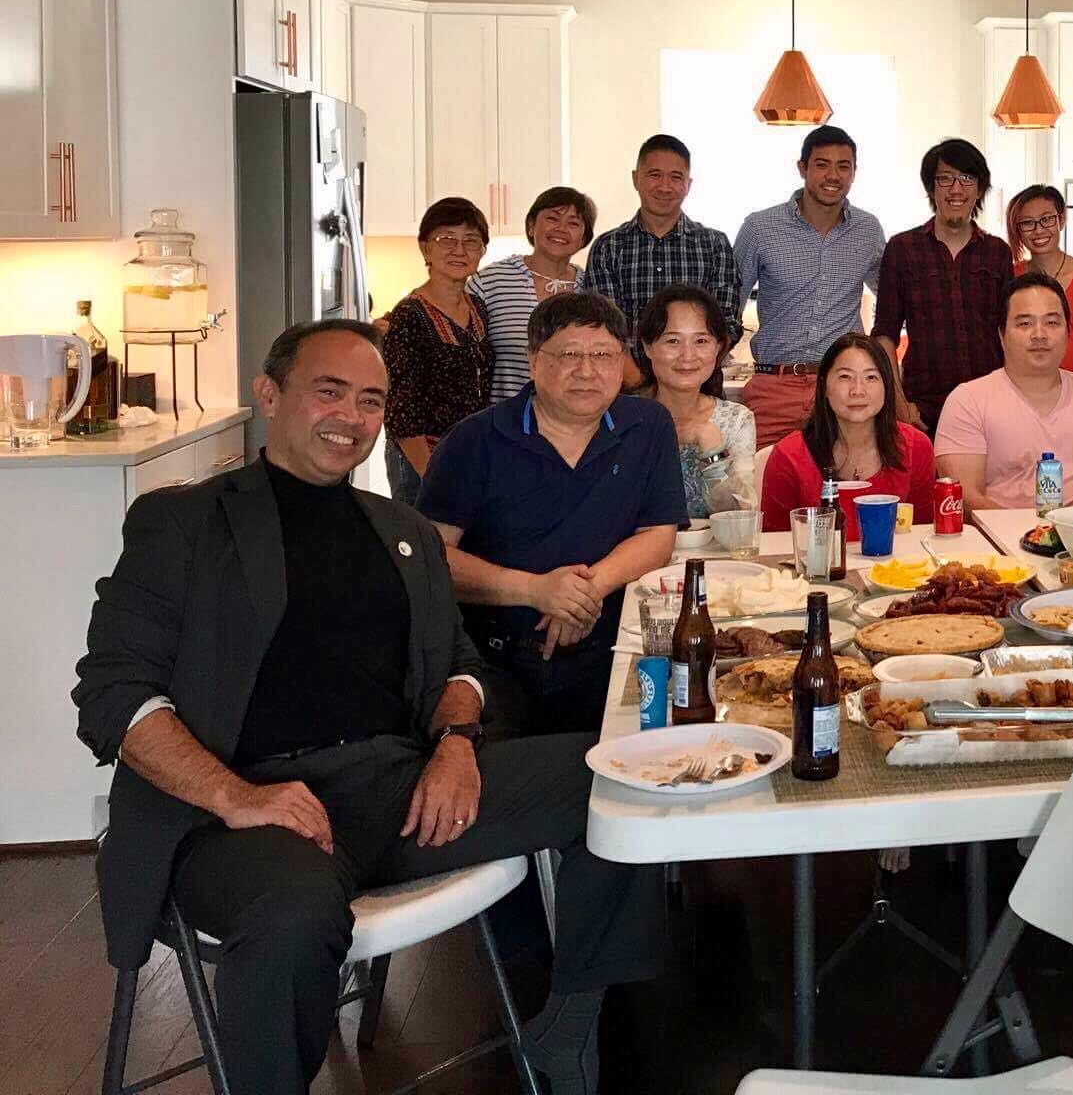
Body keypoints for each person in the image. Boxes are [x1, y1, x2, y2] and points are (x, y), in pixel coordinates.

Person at [73, 321, 662, 1095]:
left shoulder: (402, 530)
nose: (350, 416)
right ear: (269, 394)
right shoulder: (182, 521)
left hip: (398, 789)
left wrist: (455, 741)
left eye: (371, 401)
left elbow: (461, 663)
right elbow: (112, 692)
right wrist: (237, 796)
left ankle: (569, 1029)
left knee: (627, 780)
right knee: (293, 919)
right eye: (329, 392)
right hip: (240, 808)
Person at [418, 291, 684, 735]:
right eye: (568, 355)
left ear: (621, 362)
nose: (586, 370)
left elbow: (658, 533)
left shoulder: (648, 425)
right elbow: (431, 558)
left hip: (613, 651)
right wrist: (536, 590)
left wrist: (582, 593)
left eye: (602, 354)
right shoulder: (473, 440)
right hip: (495, 659)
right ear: (532, 361)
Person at [934, 272, 1073, 513]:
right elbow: (965, 497)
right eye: (1025, 323)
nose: (1039, 335)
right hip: (1001, 544)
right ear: (1001, 335)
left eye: (1052, 322)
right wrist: (1033, 537)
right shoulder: (967, 401)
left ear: (1068, 333)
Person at [733, 124, 887, 444]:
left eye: (843, 166)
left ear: (854, 172)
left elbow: (893, 298)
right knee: (763, 484)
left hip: (843, 388)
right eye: (822, 164)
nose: (833, 175)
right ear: (802, 168)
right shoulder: (760, 228)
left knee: (842, 487)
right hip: (775, 386)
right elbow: (728, 304)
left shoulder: (868, 230)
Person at [872, 137, 1013, 431]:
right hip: (923, 409)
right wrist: (899, 404)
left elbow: (1009, 332)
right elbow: (885, 334)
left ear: (980, 189)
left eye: (966, 178)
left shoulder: (998, 252)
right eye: (945, 179)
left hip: (990, 405)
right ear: (931, 188)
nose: (956, 189)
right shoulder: (902, 249)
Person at [584, 134, 741, 379]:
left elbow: (725, 324)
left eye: (675, 177)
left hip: (700, 389)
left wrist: (692, 379)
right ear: (636, 179)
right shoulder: (609, 247)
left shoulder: (714, 244)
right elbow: (604, 330)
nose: (665, 186)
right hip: (627, 393)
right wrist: (640, 387)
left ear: (688, 184)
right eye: (654, 175)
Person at [760, 332, 937, 531]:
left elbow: (922, 534)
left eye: (871, 377)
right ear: (824, 385)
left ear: (887, 385)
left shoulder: (916, 447)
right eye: (845, 377)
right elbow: (773, 544)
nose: (857, 390)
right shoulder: (788, 456)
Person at [381, 196, 493, 505]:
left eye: (471, 241)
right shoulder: (410, 315)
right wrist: (433, 475)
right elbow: (401, 411)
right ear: (425, 247)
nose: (459, 250)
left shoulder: (478, 308)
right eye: (446, 239)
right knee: (424, 547)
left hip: (469, 455)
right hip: (422, 460)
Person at [639, 282, 757, 521]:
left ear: (718, 347)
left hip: (712, 554)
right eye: (673, 341)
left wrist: (714, 454)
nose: (687, 356)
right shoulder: (624, 417)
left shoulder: (735, 420)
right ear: (648, 347)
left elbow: (743, 520)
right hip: (636, 554)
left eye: (701, 341)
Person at [468, 184, 596, 403]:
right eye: (552, 218)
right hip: (502, 422)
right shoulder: (491, 280)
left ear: (583, 238)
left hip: (573, 422)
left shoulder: (591, 287)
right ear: (531, 226)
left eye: (573, 223)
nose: (561, 229)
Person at [1006, 183, 1073, 381]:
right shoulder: (1008, 277)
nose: (1038, 230)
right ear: (1018, 230)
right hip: (1024, 389)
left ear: (1061, 220)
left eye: (1046, 219)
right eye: (1027, 223)